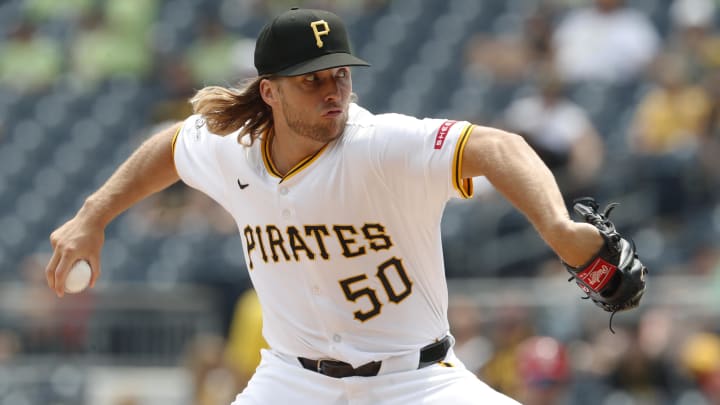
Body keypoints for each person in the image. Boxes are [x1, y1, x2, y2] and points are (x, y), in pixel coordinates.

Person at [46, 8, 605, 404]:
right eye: (311, 81)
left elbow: (496, 146)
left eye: (339, 75)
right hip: (292, 383)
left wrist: (558, 227)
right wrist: (92, 216)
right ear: (270, 91)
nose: (332, 92)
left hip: (415, 381)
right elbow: (172, 145)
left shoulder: (380, 145)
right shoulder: (233, 150)